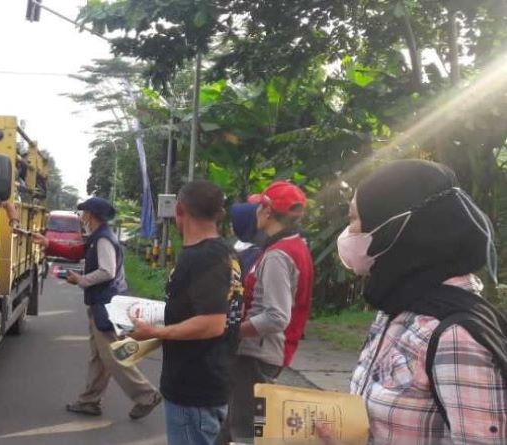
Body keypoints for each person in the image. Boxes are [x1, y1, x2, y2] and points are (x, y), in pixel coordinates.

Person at [338, 160, 506, 444]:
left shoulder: (454, 336)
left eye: (354, 218)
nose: (349, 232)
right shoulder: (398, 308)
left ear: (394, 228)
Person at [31, 197, 162, 420]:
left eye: (84, 213)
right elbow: (76, 252)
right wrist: (48, 244)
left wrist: (81, 280)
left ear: (91, 215)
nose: (81, 217)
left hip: (106, 304)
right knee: (99, 357)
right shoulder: (97, 238)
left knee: (111, 355)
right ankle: (89, 400)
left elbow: (107, 271)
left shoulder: (103, 240)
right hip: (102, 302)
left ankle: (147, 395)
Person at [129, 181, 239, 445]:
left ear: (179, 209)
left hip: (195, 387)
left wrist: (154, 332)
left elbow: (212, 323)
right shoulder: (224, 251)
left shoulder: (203, 257)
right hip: (209, 381)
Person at [221, 181, 315, 444]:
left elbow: (276, 316)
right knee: (238, 424)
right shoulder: (292, 246)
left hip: (257, 354)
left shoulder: (278, 255)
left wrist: (231, 330)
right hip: (263, 351)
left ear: (266, 211)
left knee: (246, 433)